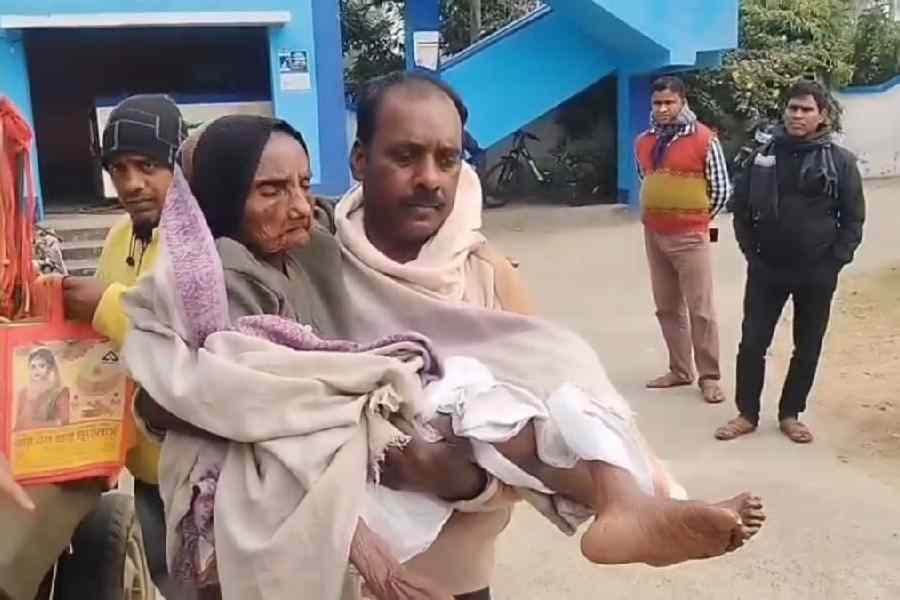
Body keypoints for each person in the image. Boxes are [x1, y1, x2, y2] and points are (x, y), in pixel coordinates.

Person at [60, 94, 195, 599]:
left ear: (179, 163)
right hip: (141, 464)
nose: (132, 183)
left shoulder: (200, 239)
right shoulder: (121, 234)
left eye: (149, 165)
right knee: (160, 577)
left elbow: (191, 345)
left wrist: (106, 303)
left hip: (200, 469)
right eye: (118, 169)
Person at [715, 80, 865, 444]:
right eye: (793, 108)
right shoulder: (763, 155)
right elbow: (742, 210)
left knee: (808, 346)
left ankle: (790, 413)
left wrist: (834, 261)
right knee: (752, 343)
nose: (797, 116)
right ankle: (746, 413)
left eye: (806, 110)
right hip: (767, 269)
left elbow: (853, 218)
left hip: (817, 271)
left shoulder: (840, 162)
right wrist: (753, 253)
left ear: (822, 116)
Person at [635, 75, 730, 404]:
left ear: (682, 102)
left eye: (669, 103)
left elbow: (720, 190)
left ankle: (710, 377)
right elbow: (645, 178)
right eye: (657, 103)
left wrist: (698, 221)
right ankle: (679, 370)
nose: (663, 109)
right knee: (666, 307)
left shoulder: (704, 139)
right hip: (655, 234)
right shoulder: (644, 141)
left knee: (700, 309)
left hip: (690, 236)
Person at [15, 348, 70, 431]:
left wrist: (31, 425)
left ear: (50, 368)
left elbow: (63, 422)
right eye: (33, 367)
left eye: (41, 366)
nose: (36, 370)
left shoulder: (60, 392)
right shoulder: (23, 393)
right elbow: (19, 424)